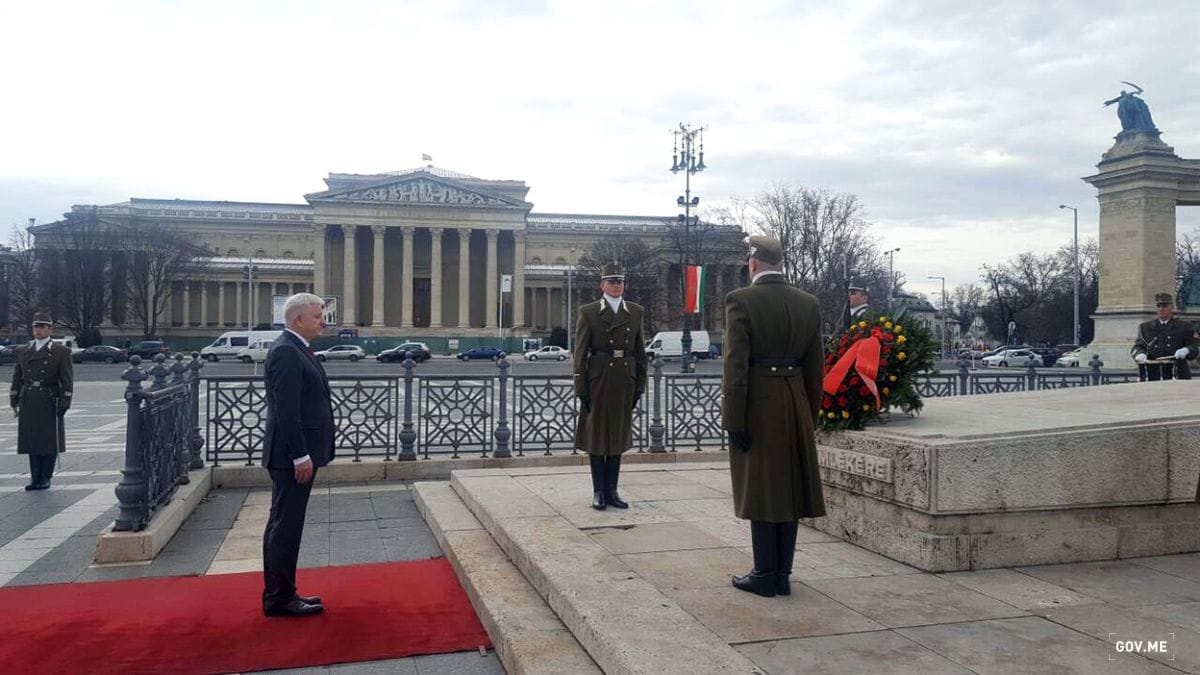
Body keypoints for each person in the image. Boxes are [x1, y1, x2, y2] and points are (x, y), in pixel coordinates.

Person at [722, 236, 825, 598]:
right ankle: (782, 574)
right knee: (789, 488)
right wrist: (807, 412)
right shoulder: (808, 303)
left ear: (752, 263)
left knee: (763, 489)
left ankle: (764, 574)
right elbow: (816, 367)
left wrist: (734, 420)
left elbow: (735, 366)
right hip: (795, 400)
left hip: (758, 404)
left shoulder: (741, 300)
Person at [262, 293, 335, 617]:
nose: (323, 320)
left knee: (283, 524)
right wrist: (300, 455)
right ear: (298, 321)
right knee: (285, 526)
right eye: (318, 315)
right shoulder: (286, 352)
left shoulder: (295, 348)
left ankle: (283, 592)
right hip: (292, 455)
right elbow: (286, 411)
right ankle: (280, 598)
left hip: (294, 453)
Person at [573, 261, 648, 510]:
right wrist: (580, 386)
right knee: (596, 438)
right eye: (612, 281)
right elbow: (580, 352)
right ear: (602, 285)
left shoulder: (635, 311)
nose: (617, 286)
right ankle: (598, 492)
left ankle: (612, 491)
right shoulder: (589, 311)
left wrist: (640, 383)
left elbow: (639, 351)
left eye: (620, 281)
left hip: (624, 379)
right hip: (599, 379)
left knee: (616, 437)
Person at [9, 314, 74, 491]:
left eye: (42, 327)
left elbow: (67, 379)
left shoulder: (61, 352)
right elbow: (18, 376)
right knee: (31, 439)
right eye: (36, 327)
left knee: (48, 440)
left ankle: (45, 477)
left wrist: (65, 400)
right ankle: (35, 477)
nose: (38, 330)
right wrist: (14, 397)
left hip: (49, 397)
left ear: (50, 329)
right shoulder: (24, 350)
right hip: (29, 397)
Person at [1132, 292, 1197, 381]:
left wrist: (1186, 350)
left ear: (1171, 308)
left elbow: (1194, 347)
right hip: (1152, 375)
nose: (1161, 309)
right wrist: (1139, 354)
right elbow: (1138, 346)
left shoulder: (1184, 326)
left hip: (1177, 374)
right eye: (1158, 306)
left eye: (1164, 306)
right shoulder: (1145, 327)